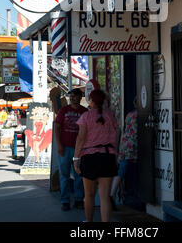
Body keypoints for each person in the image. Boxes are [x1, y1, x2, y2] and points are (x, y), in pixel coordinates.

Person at [73, 88, 118, 222]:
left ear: (91, 100)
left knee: (89, 194)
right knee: (104, 196)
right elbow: (116, 134)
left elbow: (81, 138)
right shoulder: (110, 116)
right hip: (107, 156)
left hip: (89, 157)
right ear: (103, 101)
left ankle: (89, 222)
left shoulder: (85, 117)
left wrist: (76, 158)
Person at [54, 88, 87, 211]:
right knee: (64, 175)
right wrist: (59, 145)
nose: (72, 98)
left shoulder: (85, 112)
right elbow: (57, 128)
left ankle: (79, 199)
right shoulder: (64, 110)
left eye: (74, 96)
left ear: (80, 97)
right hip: (65, 147)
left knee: (79, 175)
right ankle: (65, 201)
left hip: (80, 149)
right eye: (70, 96)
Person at [110, 97, 138, 210]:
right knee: (130, 170)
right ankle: (116, 193)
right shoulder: (141, 115)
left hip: (125, 143)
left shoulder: (129, 114)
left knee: (121, 170)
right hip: (134, 144)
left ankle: (115, 192)